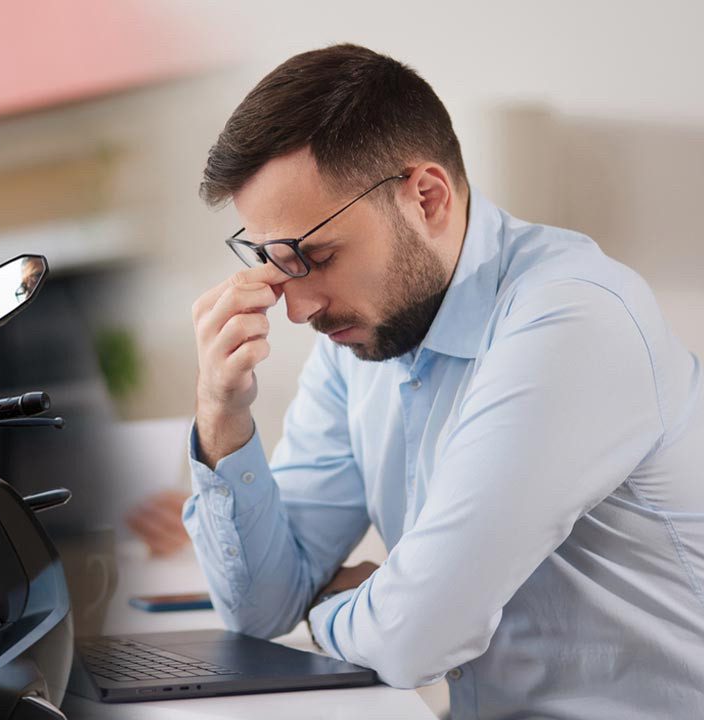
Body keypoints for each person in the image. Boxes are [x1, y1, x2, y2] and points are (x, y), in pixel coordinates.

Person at [184, 43, 704, 719]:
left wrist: (332, 606)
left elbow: (413, 639)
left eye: (318, 256)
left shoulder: (573, 320)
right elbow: (260, 609)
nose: (298, 308)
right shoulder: (357, 345)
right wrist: (221, 414)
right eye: (276, 262)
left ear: (426, 198)